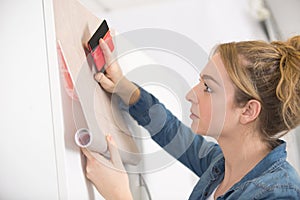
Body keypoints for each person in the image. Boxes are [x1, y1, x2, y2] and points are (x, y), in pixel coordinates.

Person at [81, 35, 300, 200]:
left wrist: (119, 194)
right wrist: (125, 88)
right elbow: (171, 132)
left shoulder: (280, 194)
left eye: (208, 88)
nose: (190, 95)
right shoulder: (225, 163)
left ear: (248, 111)